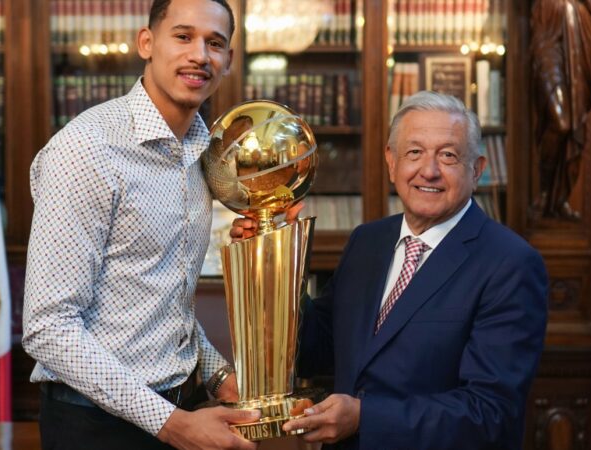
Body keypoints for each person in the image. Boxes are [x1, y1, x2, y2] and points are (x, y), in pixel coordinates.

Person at [232, 91, 548, 449]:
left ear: (476, 169)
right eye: (414, 152)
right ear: (391, 161)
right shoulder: (368, 242)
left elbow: (491, 412)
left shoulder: (510, 264)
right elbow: (316, 349)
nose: (428, 170)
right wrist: (273, 266)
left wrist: (365, 417)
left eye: (448, 155)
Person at [22, 1, 259, 449]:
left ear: (228, 60)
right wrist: (172, 424)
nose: (200, 56)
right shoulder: (86, 149)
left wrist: (219, 376)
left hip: (178, 409)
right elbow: (48, 327)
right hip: (93, 427)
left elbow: (163, 305)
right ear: (146, 43)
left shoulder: (200, 154)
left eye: (215, 43)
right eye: (183, 36)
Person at [530, 0, 591, 219]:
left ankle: (560, 199)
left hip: (578, 26)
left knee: (576, 122)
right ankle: (544, 190)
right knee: (561, 122)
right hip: (548, 37)